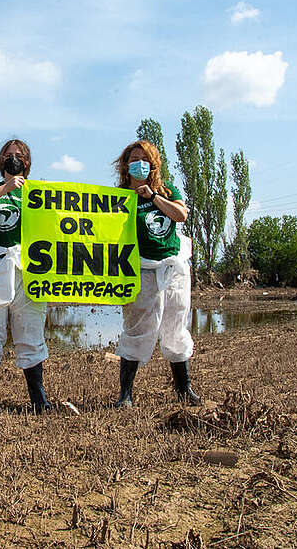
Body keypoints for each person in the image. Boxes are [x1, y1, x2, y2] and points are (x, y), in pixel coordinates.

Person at [113, 140, 201, 407]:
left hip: (172, 267)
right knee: (137, 327)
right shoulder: (119, 196)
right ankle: (125, 395)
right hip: (139, 269)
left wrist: (152, 196)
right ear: (125, 165)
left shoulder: (166, 190)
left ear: (153, 164)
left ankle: (183, 389)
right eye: (133, 158)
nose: (139, 163)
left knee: (175, 324)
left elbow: (181, 215)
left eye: (144, 158)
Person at [0, 140, 51, 413]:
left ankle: (38, 399)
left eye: (19, 155)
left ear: (27, 162)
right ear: (1, 160)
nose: (13, 158)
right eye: (8, 154)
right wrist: (5, 188)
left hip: (27, 269)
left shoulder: (37, 194)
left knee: (31, 330)